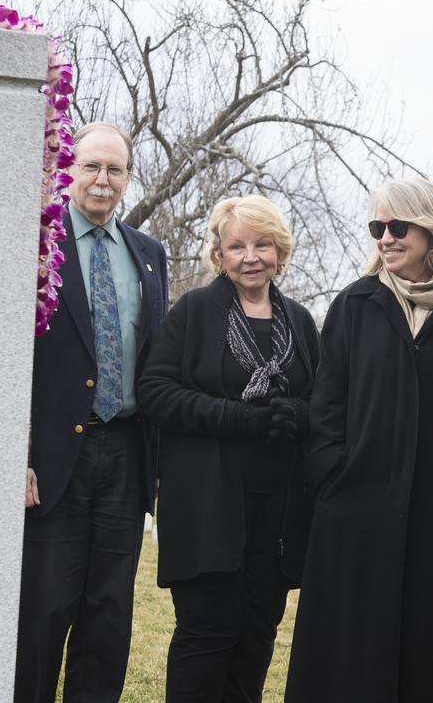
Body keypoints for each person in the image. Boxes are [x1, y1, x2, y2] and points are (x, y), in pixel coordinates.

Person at [285, 178, 433, 703]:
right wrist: (333, 476)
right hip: (356, 511)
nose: (386, 239)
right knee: (348, 655)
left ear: (431, 228)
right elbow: (326, 404)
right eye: (378, 228)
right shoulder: (356, 303)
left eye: (399, 227)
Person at [137, 195, 319, 703]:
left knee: (258, 632)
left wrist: (299, 413)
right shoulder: (196, 311)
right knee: (208, 632)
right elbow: (155, 391)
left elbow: (325, 401)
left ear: (279, 251)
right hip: (208, 503)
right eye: (236, 246)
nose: (250, 256)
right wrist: (234, 416)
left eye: (262, 244)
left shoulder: (300, 321)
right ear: (220, 255)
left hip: (278, 510)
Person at [15, 121, 169, 703]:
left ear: (128, 178)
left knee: (108, 619)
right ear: (68, 171)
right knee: (44, 614)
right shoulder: (34, 245)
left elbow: (156, 362)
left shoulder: (149, 255)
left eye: (115, 169)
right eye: (91, 167)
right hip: (54, 460)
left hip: (127, 456)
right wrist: (17, 453)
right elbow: (9, 358)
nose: (103, 180)